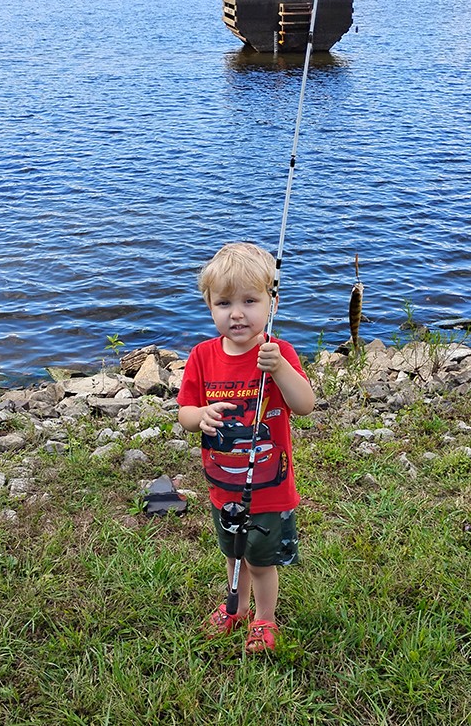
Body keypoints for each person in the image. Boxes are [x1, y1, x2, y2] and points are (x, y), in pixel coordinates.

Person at [177, 242, 315, 653]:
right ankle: (234, 606)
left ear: (271, 302)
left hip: (270, 490)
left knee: (260, 560)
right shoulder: (202, 357)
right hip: (224, 487)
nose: (236, 313)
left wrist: (282, 369)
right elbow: (184, 412)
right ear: (209, 305)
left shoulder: (278, 352)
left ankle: (264, 619)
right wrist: (199, 415)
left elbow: (304, 405)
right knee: (233, 552)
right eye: (224, 303)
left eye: (250, 301)